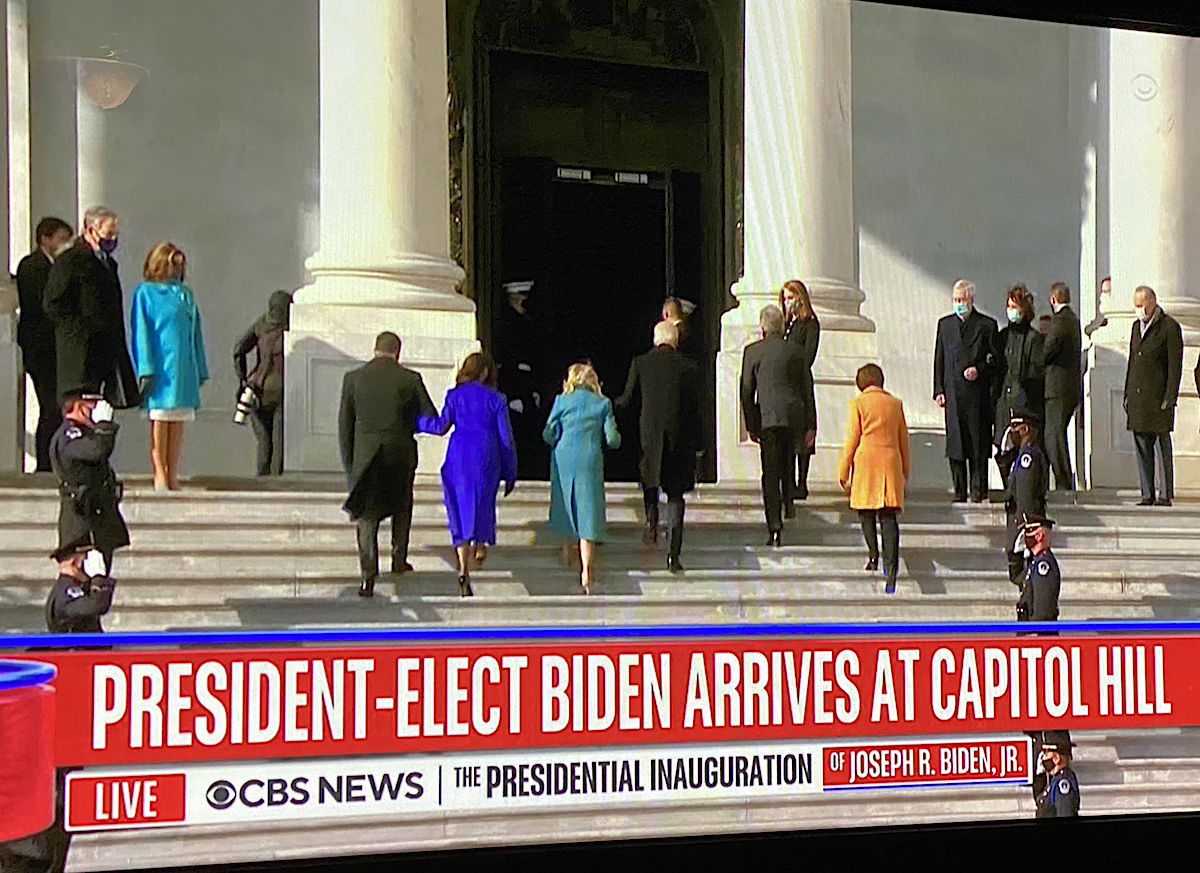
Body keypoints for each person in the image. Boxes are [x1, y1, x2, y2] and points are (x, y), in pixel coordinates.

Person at [338, 331, 437, 597]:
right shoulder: (410, 379)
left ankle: (367, 576)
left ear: (375, 349)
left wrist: (350, 464)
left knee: (367, 517)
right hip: (400, 454)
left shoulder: (353, 379)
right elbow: (429, 414)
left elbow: (344, 427)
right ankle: (398, 558)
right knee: (401, 505)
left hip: (365, 457)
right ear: (398, 352)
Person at [422, 352, 518, 597]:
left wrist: (415, 421)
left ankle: (463, 567)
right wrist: (510, 471)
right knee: (483, 502)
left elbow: (440, 426)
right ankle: (481, 545)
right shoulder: (496, 398)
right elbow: (506, 438)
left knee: (459, 505)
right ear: (485, 372)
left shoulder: (454, 396)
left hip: (459, 454)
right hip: (486, 454)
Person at [616, 319, 702, 572]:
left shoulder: (641, 363)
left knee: (650, 480)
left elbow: (627, 399)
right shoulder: (689, 366)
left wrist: (603, 402)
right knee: (675, 495)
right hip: (679, 437)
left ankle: (651, 527)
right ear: (675, 340)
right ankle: (673, 554)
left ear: (655, 339)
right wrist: (698, 444)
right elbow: (694, 410)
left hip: (650, 435)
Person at [128, 242, 209, 491]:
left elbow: (195, 332)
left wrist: (200, 368)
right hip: (160, 367)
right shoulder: (145, 293)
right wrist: (145, 367)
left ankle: (173, 471)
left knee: (178, 421)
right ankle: (159, 472)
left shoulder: (185, 293)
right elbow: (140, 331)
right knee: (160, 420)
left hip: (183, 366)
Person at [42, 206, 139, 408]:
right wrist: (81, 329)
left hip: (105, 354)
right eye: (108, 233)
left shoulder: (108, 263)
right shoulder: (70, 260)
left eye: (115, 234)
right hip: (81, 355)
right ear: (91, 231)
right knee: (80, 414)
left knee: (102, 418)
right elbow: (53, 303)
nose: (112, 239)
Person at [543, 362, 621, 593]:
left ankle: (567, 550)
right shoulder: (602, 404)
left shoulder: (561, 401)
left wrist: (558, 434)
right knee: (588, 508)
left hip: (564, 455)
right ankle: (586, 568)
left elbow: (548, 433)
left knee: (565, 498)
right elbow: (613, 439)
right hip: (590, 457)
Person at [740, 304, 813, 546]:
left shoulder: (753, 352)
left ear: (762, 327)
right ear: (782, 327)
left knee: (770, 472)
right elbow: (807, 389)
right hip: (793, 416)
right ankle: (788, 502)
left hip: (768, 416)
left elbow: (747, 389)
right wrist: (812, 424)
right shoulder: (796, 352)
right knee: (788, 461)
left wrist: (751, 423)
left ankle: (774, 526)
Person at [838, 364, 910, 593]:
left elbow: (853, 438)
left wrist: (843, 469)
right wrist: (905, 469)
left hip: (866, 461)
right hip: (890, 462)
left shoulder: (858, 403)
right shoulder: (895, 404)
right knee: (888, 517)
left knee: (865, 512)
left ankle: (872, 555)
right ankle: (891, 569)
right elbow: (903, 440)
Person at [49, 388, 129, 575]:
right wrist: (104, 427)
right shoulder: (71, 434)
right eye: (93, 404)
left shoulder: (85, 433)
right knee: (86, 583)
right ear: (80, 407)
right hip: (82, 518)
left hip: (97, 514)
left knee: (101, 578)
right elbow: (95, 451)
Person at [16, 217, 73, 472]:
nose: (65, 244)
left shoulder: (62, 265)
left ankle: (56, 461)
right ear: (45, 239)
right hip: (41, 350)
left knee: (59, 408)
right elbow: (40, 306)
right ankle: (45, 463)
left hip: (58, 350)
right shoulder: (32, 266)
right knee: (49, 406)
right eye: (60, 238)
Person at [934, 279, 998, 503]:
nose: (959, 304)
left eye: (962, 300)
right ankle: (959, 489)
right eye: (956, 300)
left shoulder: (986, 325)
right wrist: (938, 389)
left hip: (977, 396)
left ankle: (978, 489)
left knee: (977, 443)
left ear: (971, 300)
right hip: (953, 393)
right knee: (956, 444)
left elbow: (994, 360)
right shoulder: (945, 325)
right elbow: (939, 359)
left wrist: (979, 369)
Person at [1125, 285, 1183, 506]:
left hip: (1159, 397)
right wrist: (1127, 393)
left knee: (1161, 444)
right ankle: (1146, 492)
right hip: (1138, 397)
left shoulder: (1169, 327)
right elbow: (1133, 362)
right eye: (1136, 305)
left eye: (1141, 305)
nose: (1138, 310)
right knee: (1141, 445)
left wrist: (1170, 396)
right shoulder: (1135, 328)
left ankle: (1165, 492)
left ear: (1152, 302)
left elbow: (1174, 366)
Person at [234, 290, 292, 476]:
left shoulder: (261, 325)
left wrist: (242, 380)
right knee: (279, 445)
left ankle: (262, 484)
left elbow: (238, 350)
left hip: (257, 391)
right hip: (282, 392)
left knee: (264, 444)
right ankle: (275, 486)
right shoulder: (293, 328)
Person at [494, 281, 544, 480]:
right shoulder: (507, 324)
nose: (524, 299)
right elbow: (508, 362)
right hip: (515, 386)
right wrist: (513, 393)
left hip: (526, 386)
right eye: (521, 295)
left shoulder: (525, 322)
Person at [780, 280, 820, 506]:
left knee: (804, 428)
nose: (787, 303)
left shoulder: (810, 324)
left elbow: (808, 355)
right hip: (787, 381)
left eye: (790, 298)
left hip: (801, 380)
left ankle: (802, 481)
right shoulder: (789, 325)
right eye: (784, 298)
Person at [1000, 407, 1048, 586]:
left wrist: (1025, 527)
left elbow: (1026, 493)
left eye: (1015, 427)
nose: (1011, 433)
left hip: (1023, 521)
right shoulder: (1020, 455)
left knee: (1024, 575)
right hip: (1018, 521)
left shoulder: (1028, 456)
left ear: (1025, 429)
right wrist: (1005, 454)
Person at [1043, 282, 1082, 495]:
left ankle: (1063, 481)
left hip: (1057, 388)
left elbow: (1048, 350)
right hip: (1067, 388)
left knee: (1053, 436)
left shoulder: (1061, 321)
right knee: (1055, 435)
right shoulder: (1072, 320)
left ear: (1053, 299)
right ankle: (1062, 479)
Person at [45, 545, 116, 633]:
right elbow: (96, 606)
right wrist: (98, 578)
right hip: (75, 646)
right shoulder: (67, 591)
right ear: (74, 563)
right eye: (87, 559)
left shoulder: (75, 586)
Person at [1016, 513, 1060, 625]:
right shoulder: (1034, 560)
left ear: (1039, 536)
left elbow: (1042, 606)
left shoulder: (1043, 564)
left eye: (1029, 532)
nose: (1026, 537)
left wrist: (1035, 632)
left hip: (1037, 633)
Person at [1034, 730, 1079, 818]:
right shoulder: (1055, 779)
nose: (1042, 756)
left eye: (1046, 752)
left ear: (1056, 758)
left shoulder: (1063, 783)